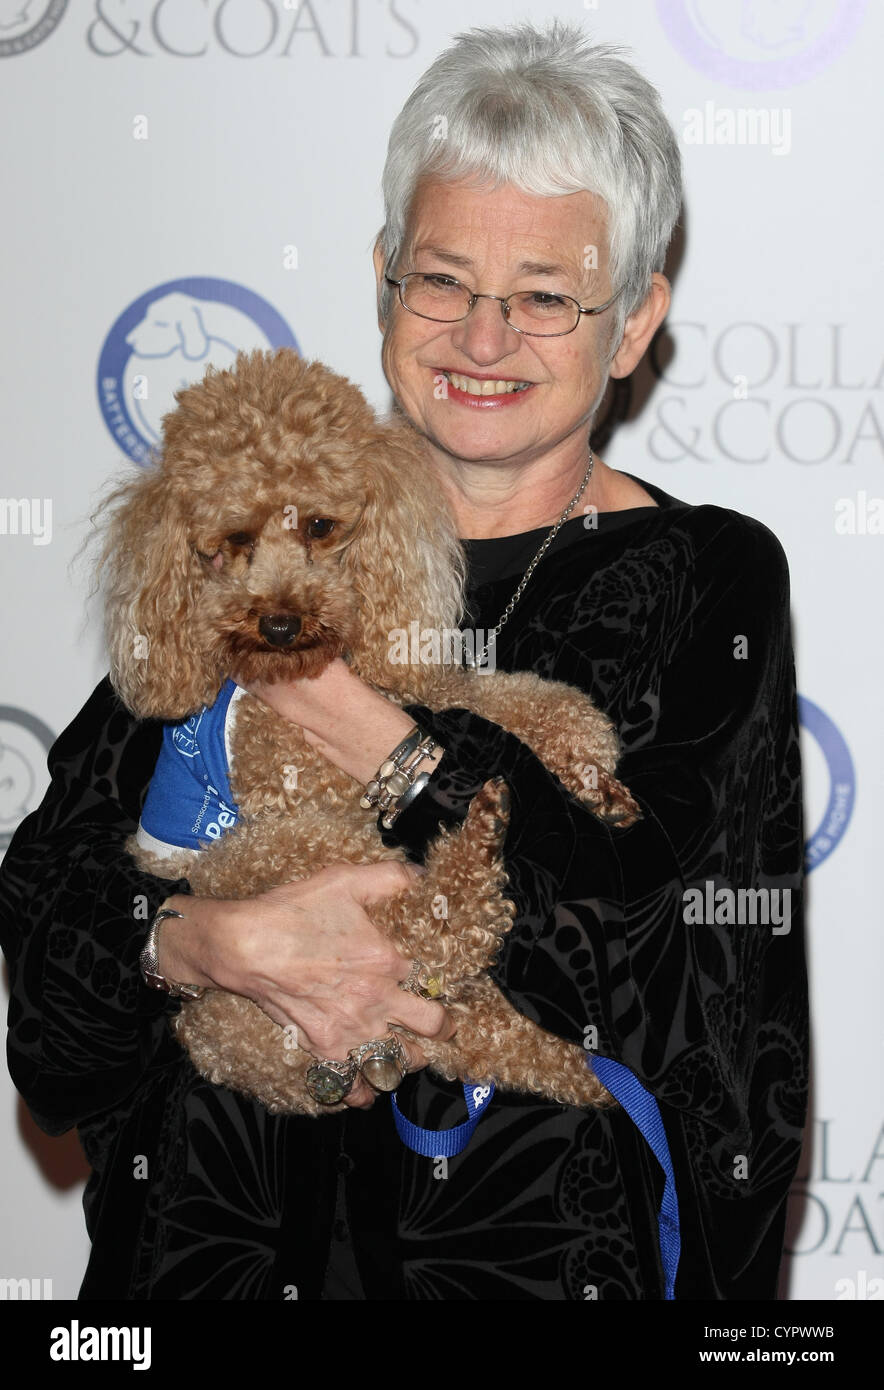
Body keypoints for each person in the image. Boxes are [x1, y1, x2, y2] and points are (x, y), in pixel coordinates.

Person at [0, 21, 807, 1300]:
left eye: (545, 294)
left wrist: (340, 708)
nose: (483, 338)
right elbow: (52, 1000)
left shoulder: (702, 582)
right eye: (442, 280)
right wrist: (203, 943)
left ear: (636, 318)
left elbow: (660, 974)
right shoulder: (241, 539)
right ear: (383, 280)